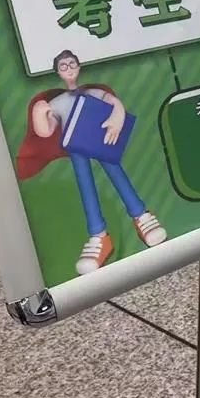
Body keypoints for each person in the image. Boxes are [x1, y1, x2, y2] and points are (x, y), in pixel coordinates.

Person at [16, 50, 167, 275]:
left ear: (79, 66)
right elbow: (45, 132)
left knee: (116, 171)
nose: (69, 69)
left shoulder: (92, 93)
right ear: (57, 71)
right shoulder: (57, 103)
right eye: (63, 66)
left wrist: (117, 117)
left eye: (72, 64)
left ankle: (141, 215)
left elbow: (114, 103)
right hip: (76, 146)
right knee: (85, 184)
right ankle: (99, 235)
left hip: (101, 137)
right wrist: (39, 113)